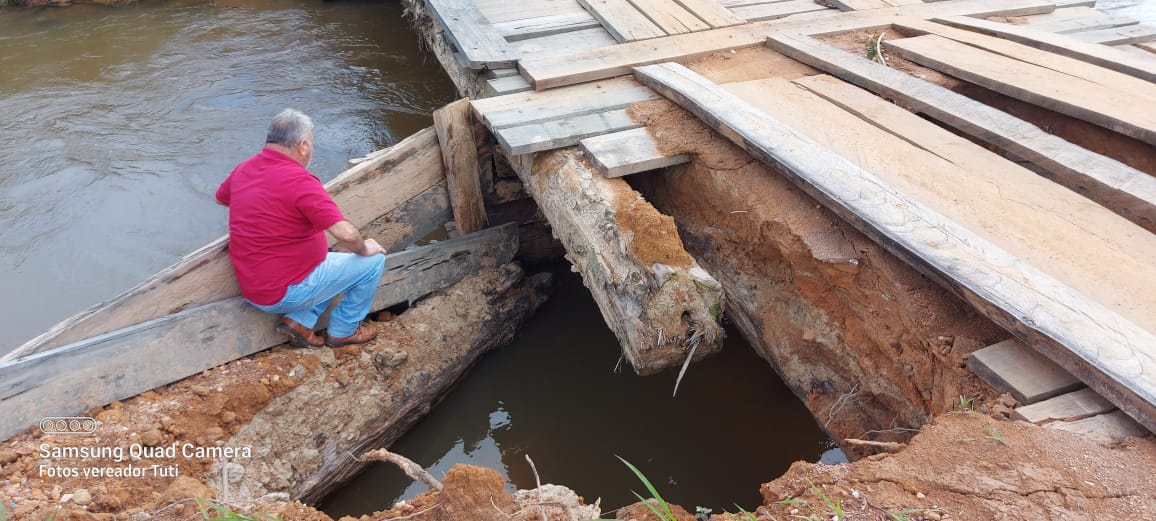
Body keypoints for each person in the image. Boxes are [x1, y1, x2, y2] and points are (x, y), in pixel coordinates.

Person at [216, 108, 386, 348]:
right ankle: (344, 331)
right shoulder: (300, 181)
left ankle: (300, 321)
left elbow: (222, 198)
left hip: (255, 287)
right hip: (285, 292)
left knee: (328, 262)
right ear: (303, 145)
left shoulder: (243, 169)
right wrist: (364, 248)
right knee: (373, 262)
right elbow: (346, 234)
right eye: (312, 144)